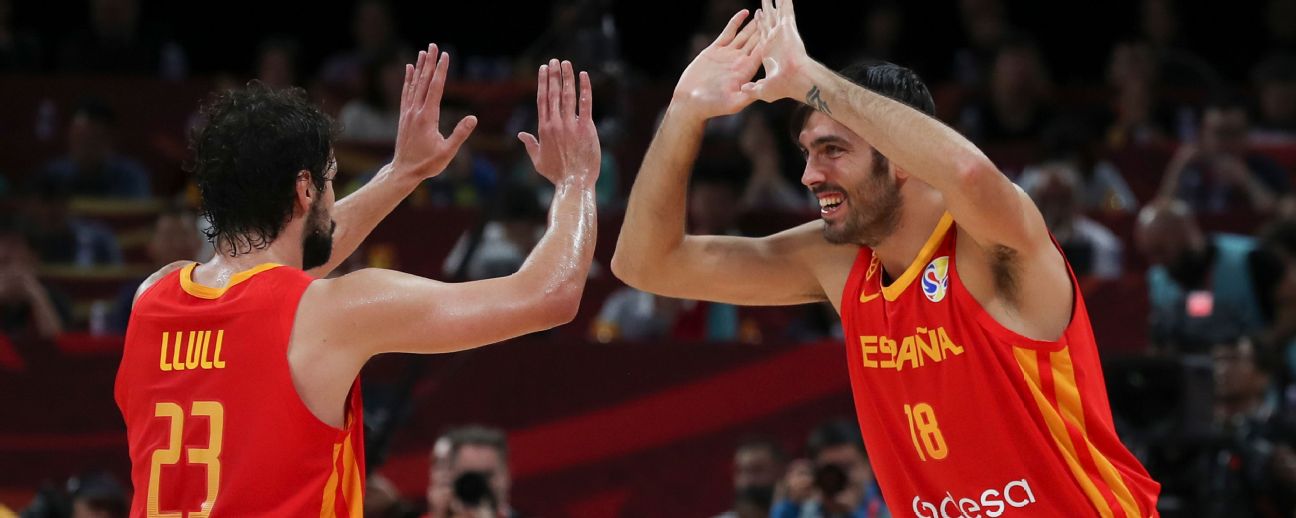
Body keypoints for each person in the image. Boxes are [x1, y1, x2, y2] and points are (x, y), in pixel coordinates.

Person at [611, 3, 1160, 516]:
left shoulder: (989, 241)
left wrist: (809, 77)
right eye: (807, 152)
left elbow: (968, 173)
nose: (809, 175)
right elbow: (646, 264)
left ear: (898, 155)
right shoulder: (840, 264)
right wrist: (685, 112)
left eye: (832, 150)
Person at [114, 47, 600, 516]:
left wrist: (403, 173)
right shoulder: (334, 311)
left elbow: (280, 271)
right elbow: (548, 295)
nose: (331, 196)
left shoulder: (152, 298)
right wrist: (576, 181)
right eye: (329, 180)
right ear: (305, 189)